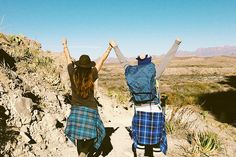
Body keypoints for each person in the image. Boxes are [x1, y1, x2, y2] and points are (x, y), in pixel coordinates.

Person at [110, 38, 182, 157]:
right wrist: (176, 43)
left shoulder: (131, 72)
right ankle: (156, 151)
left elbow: (122, 61)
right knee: (157, 143)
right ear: (149, 62)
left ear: (138, 63)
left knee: (140, 142)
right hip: (154, 110)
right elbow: (167, 59)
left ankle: (140, 151)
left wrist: (116, 47)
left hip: (139, 111)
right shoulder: (155, 72)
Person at [63, 39, 113, 157]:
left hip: (76, 109)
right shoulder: (92, 75)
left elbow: (68, 59)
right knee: (96, 133)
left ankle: (82, 153)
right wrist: (109, 48)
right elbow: (102, 60)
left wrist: (65, 45)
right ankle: (84, 152)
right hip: (91, 109)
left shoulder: (72, 73)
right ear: (89, 65)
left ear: (79, 64)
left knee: (79, 137)